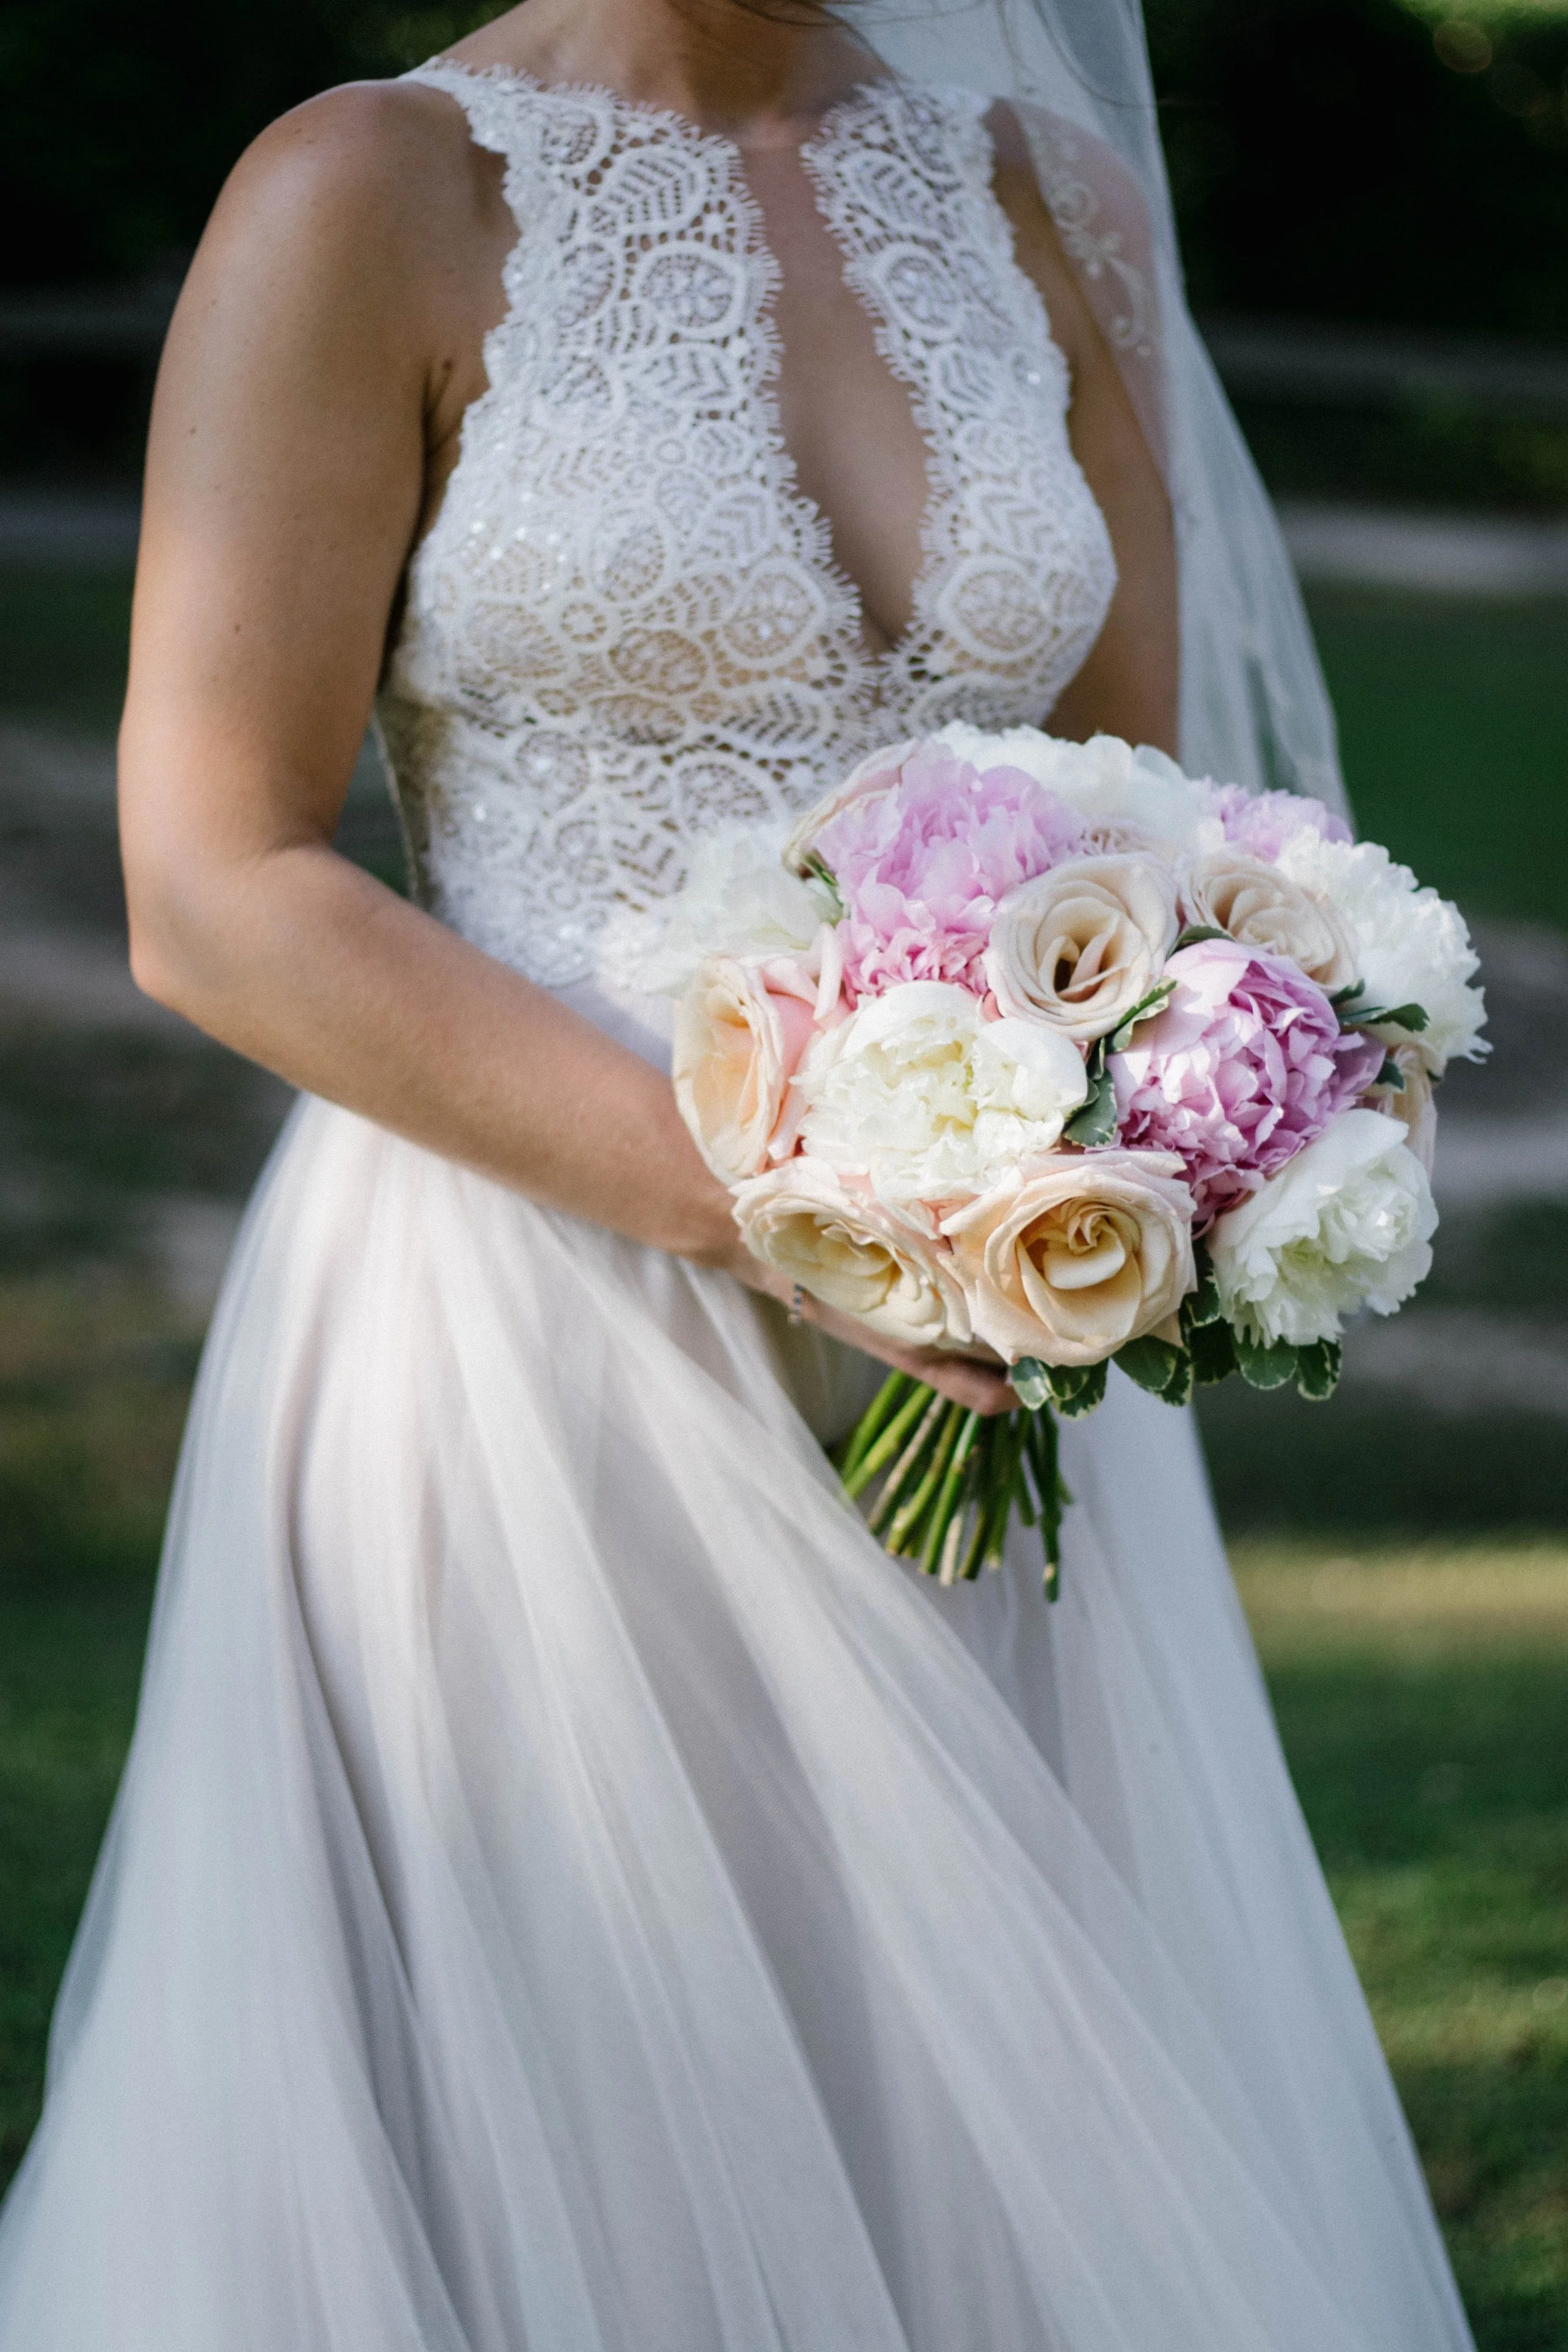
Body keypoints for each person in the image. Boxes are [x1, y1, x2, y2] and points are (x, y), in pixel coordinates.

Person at [0, 2, 1475, 2344]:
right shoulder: (365, 197)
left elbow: (1142, 826)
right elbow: (217, 885)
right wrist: (788, 1212)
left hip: (993, 1343)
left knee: (978, 2115)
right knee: (590, 2110)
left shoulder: (1048, 203)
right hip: (530, 1347)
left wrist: (1204, 1085)